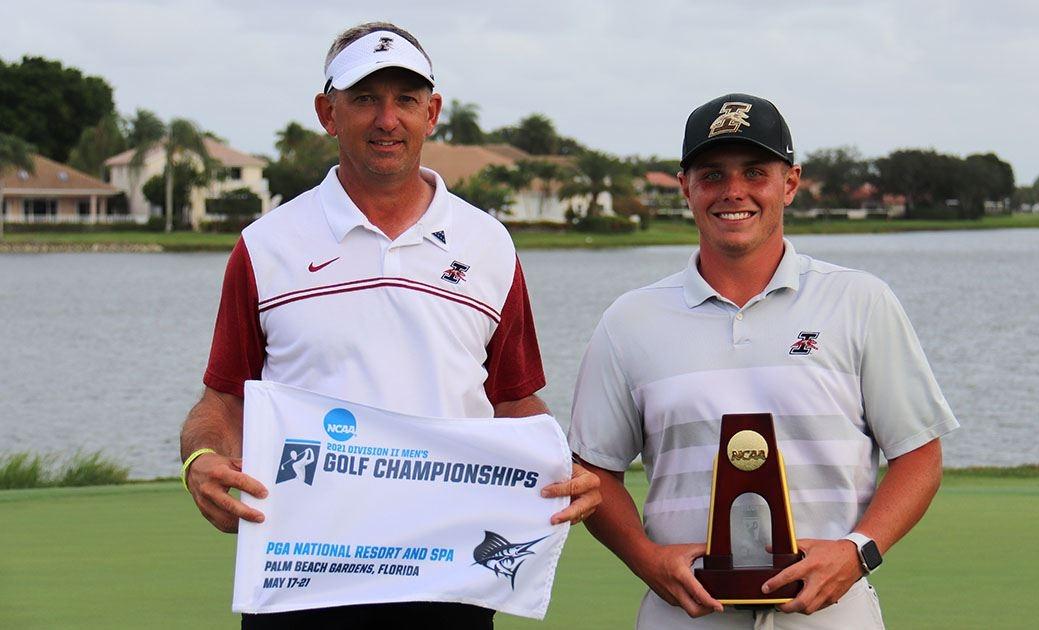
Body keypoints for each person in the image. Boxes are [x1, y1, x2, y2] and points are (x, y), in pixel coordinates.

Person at [179, 21, 600, 629]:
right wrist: (202, 461)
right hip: (302, 582)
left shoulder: (489, 244)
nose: (387, 119)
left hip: (449, 582)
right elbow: (222, 400)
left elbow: (514, 400)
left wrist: (563, 470)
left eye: (405, 99)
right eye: (364, 99)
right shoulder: (266, 245)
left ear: (432, 113)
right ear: (327, 112)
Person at [568, 93, 958, 629]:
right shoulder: (629, 320)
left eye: (755, 172)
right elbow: (594, 471)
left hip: (832, 613)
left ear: (790, 183)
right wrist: (647, 559)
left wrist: (858, 551)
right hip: (686, 614)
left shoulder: (860, 301)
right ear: (685, 187)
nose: (734, 193)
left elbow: (918, 456)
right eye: (712, 175)